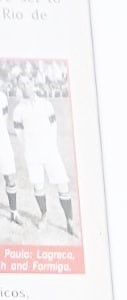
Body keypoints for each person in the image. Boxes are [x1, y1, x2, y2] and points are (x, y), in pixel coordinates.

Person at [10, 79, 75, 235]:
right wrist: (30, 147)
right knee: (38, 186)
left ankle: (69, 220)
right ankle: (44, 215)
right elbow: (19, 134)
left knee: (63, 184)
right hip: (32, 153)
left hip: (50, 151)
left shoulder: (46, 104)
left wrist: (50, 146)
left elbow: (54, 126)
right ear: (20, 87)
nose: (25, 86)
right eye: (22, 84)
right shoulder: (18, 110)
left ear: (33, 84)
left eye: (27, 83)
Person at [0, 86, 20, 224]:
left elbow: (4, 120)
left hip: (3, 142)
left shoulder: (2, 96)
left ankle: (14, 212)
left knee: (10, 177)